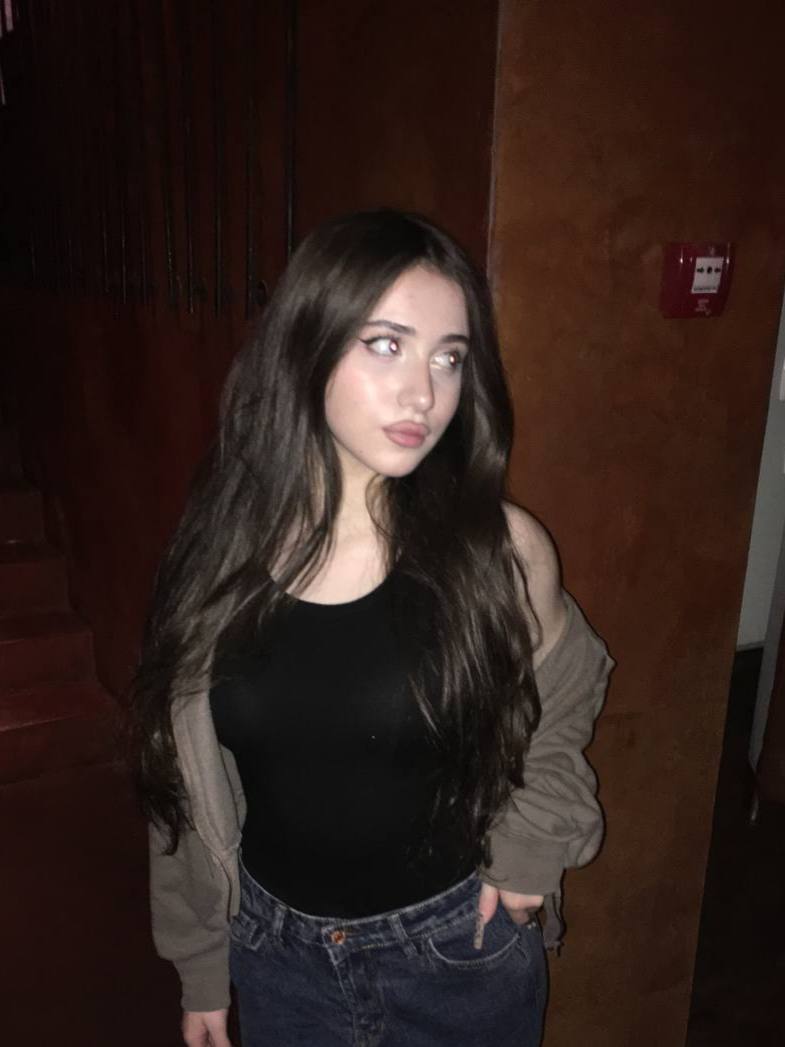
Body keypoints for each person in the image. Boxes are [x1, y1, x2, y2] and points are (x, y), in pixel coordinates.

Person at [129, 209, 614, 1047]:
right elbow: (178, 786)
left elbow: (568, 688)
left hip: (455, 952)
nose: (423, 393)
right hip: (277, 957)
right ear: (306, 345)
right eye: (386, 344)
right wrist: (200, 963)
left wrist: (534, 842)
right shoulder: (216, 560)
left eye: (448, 357)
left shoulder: (497, 551)